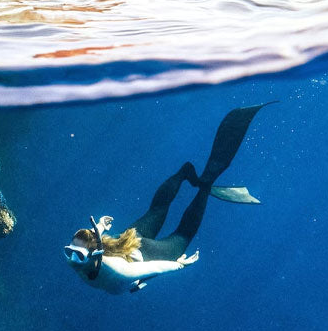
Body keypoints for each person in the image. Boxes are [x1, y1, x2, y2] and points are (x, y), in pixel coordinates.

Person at [64, 103, 272, 294]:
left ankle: (205, 185)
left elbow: (155, 267)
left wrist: (179, 264)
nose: (73, 259)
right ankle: (184, 173)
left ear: (93, 255)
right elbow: (92, 239)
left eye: (78, 255)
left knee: (183, 234)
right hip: (124, 242)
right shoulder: (85, 253)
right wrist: (99, 226)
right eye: (69, 251)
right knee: (156, 210)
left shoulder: (120, 271)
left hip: (145, 255)